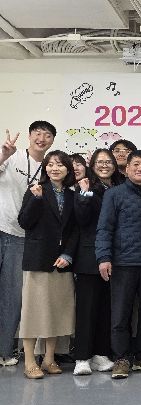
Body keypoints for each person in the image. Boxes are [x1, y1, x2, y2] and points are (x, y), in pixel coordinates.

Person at [96, 150, 141, 379]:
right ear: (126, 169)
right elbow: (104, 228)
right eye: (136, 164)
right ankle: (122, 358)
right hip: (122, 263)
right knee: (120, 315)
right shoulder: (114, 194)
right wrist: (103, 257)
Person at [0, 121, 56, 367]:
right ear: (30, 135)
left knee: (12, 296)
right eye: (37, 133)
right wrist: (3, 155)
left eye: (47, 135)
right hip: (1, 227)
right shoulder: (11, 157)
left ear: (52, 141)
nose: (41, 138)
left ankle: (4, 351)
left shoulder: (49, 167)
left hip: (23, 238)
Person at [17, 150, 76, 379]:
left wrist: (68, 254)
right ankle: (30, 361)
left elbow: (75, 230)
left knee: (56, 312)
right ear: (45, 168)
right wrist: (36, 199)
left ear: (68, 169)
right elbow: (24, 222)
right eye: (50, 164)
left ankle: (49, 358)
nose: (54, 168)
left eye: (60, 164)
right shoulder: (35, 190)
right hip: (38, 260)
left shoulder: (72, 195)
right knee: (33, 312)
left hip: (61, 262)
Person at [71, 149, 123, 376]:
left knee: (106, 308)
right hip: (89, 257)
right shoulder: (85, 186)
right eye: (100, 162)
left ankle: (101, 354)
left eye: (108, 161)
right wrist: (84, 195)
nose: (104, 165)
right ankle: (82, 357)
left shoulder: (121, 186)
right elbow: (81, 220)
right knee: (86, 309)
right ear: (92, 165)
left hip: (117, 256)